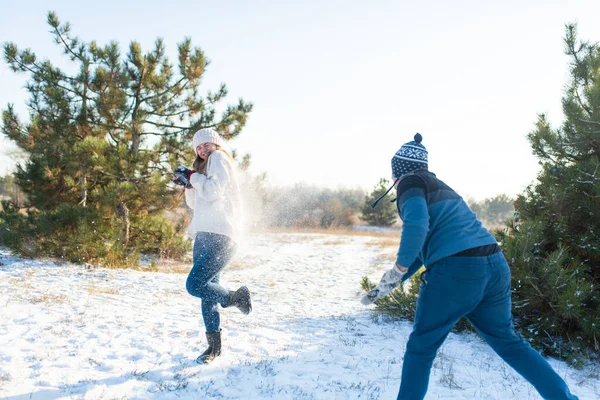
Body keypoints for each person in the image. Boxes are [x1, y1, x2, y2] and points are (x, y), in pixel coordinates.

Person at [363, 133, 579, 400]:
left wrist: (396, 270)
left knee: (422, 346)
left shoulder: (410, 184)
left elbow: (417, 226)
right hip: (495, 266)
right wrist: (390, 284)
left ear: (399, 170)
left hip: (457, 272)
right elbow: (425, 247)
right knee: (508, 342)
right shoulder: (441, 187)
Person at [172, 127, 251, 364]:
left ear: (216, 145)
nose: (202, 150)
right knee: (207, 293)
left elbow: (215, 190)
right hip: (204, 234)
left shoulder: (219, 158)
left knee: (195, 284)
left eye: (206, 144)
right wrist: (188, 183)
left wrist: (193, 177)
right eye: (198, 147)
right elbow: (196, 202)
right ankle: (213, 349)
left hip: (222, 234)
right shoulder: (204, 168)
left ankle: (236, 297)